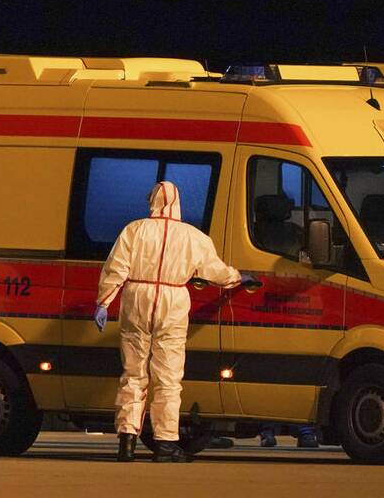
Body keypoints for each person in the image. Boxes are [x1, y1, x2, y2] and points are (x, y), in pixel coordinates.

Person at [95, 181, 260, 462]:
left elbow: (116, 267)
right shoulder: (193, 237)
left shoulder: (134, 230)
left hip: (136, 298)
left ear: (153, 201)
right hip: (173, 301)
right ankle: (165, 444)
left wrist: (103, 302)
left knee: (133, 374)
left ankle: (127, 443)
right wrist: (238, 278)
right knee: (168, 377)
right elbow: (214, 270)